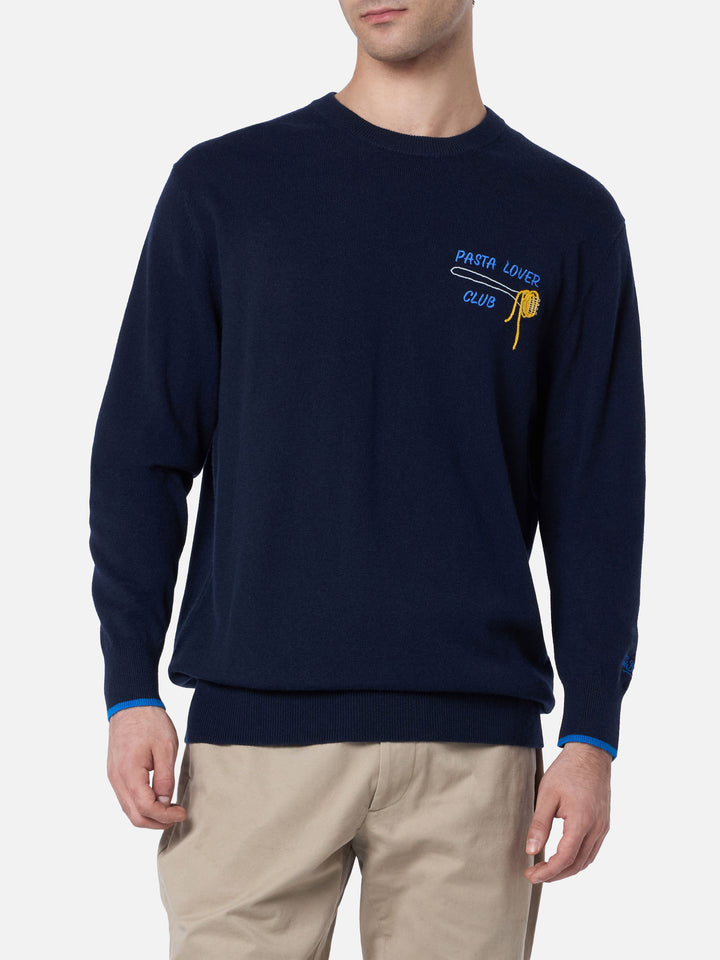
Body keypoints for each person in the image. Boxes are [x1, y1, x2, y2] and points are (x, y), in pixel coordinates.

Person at [88, 1, 645, 957]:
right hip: (251, 744)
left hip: (473, 760)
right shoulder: (226, 188)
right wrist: (128, 686)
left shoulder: (567, 218)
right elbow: (141, 450)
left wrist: (593, 732)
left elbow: (596, 497)